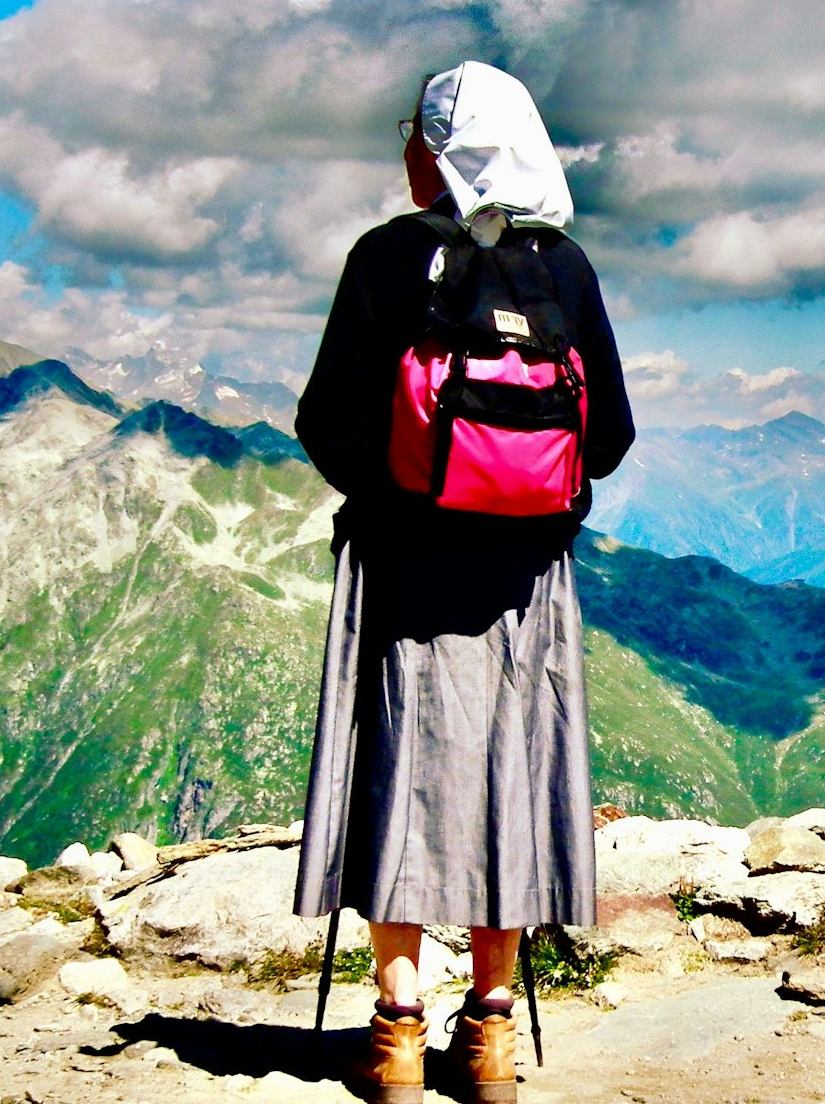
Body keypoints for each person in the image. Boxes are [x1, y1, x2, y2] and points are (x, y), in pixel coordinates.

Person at [290, 60, 634, 1104]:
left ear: (443, 146)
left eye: (415, 130)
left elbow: (326, 421)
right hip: (525, 579)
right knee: (509, 780)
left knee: (398, 775)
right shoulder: (559, 265)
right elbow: (608, 436)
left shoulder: (386, 259)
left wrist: (404, 492)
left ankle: (396, 1034)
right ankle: (489, 1040)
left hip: (404, 566)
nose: (404, 148)